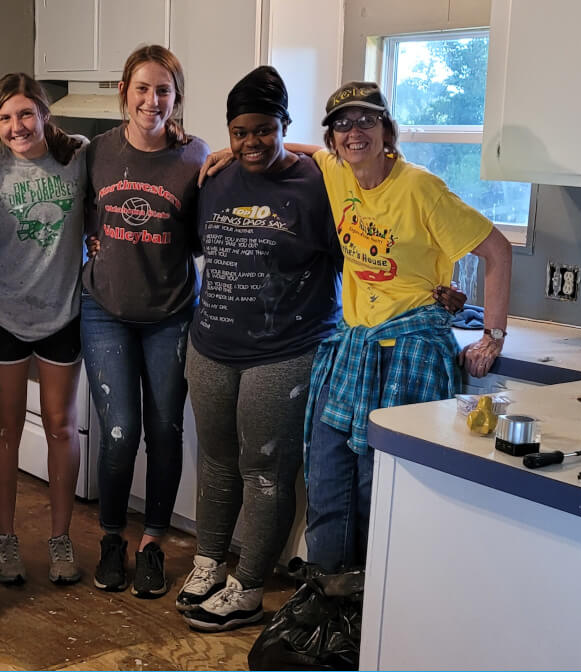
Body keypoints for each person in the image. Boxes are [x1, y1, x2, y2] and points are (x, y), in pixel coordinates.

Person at [291, 82, 512, 570]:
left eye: (366, 120)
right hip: (353, 349)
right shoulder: (336, 172)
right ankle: (327, 595)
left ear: (386, 130)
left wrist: (493, 336)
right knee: (326, 480)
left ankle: (373, 606)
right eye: (342, 124)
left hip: (410, 353)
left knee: (381, 491)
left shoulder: (420, 188)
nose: (354, 132)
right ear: (332, 139)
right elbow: (290, 146)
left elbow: (497, 250)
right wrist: (223, 152)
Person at [175, 66, 342, 632]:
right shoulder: (214, 178)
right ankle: (208, 564)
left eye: (265, 130)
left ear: (284, 124)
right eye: (240, 132)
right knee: (218, 462)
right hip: (211, 344)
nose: (252, 142)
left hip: (285, 350)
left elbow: (354, 254)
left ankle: (247, 588)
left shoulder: (319, 184)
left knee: (265, 469)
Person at [82, 45, 209, 598]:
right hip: (104, 310)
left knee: (164, 430)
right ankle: (112, 537)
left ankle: (152, 543)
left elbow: (204, 234)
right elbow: (77, 212)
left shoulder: (195, 156)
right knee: (119, 432)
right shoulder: (96, 152)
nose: (151, 100)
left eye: (163, 90)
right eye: (142, 88)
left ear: (176, 98)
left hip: (171, 314)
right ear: (123, 92)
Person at [0, 73, 87, 585]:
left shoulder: (78, 157)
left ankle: (61, 539)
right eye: (5, 118)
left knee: (61, 425)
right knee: (5, 427)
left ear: (43, 113)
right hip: (2, 312)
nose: (16, 126)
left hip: (62, 311)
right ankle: (5, 539)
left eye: (25, 114)